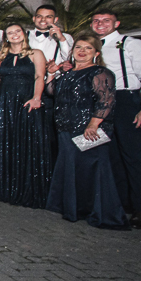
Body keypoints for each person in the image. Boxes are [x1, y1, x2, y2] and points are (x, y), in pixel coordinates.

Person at [46, 34, 128, 229]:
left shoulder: (100, 72)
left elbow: (106, 100)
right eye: (78, 47)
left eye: (88, 48)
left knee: (92, 169)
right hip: (66, 127)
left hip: (88, 130)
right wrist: (51, 73)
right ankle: (76, 208)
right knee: (74, 168)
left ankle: (99, 211)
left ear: (96, 53)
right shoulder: (68, 73)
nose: (82, 51)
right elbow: (51, 91)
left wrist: (93, 124)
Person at [92, 9, 141, 229]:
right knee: (112, 156)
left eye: (106, 21)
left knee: (133, 156)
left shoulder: (130, 44)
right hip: (102, 101)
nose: (100, 24)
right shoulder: (93, 46)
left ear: (117, 23)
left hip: (125, 99)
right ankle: (122, 203)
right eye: (96, 21)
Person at [0, 24, 50, 208]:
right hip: (3, 102)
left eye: (17, 31)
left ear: (24, 34)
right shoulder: (0, 56)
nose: (14, 35)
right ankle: (5, 189)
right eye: (10, 33)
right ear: (6, 37)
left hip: (27, 101)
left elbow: (39, 76)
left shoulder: (36, 53)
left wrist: (37, 98)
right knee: (3, 142)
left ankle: (26, 189)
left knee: (27, 142)